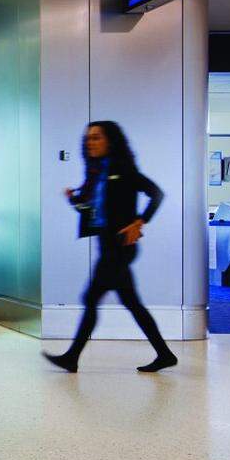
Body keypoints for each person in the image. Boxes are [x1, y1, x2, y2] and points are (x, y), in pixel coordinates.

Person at [43, 121, 177, 373]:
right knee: (131, 302)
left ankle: (72, 357)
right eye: (88, 138)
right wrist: (73, 200)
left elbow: (156, 193)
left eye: (96, 137)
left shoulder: (123, 169)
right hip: (107, 245)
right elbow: (92, 211)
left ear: (111, 141)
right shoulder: (97, 172)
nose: (90, 142)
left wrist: (140, 221)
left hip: (120, 247)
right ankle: (165, 354)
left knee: (91, 297)